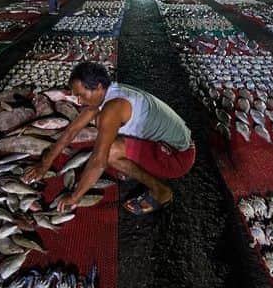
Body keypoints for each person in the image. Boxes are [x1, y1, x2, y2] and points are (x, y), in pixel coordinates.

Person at [22, 62, 195, 215]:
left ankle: (161, 191)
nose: (79, 101)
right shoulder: (105, 94)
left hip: (179, 157)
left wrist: (75, 197)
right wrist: (45, 163)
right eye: (76, 96)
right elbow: (71, 131)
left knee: (110, 152)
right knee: (104, 129)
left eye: (81, 95)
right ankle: (136, 163)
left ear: (97, 87)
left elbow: (99, 161)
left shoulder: (112, 108)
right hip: (171, 143)